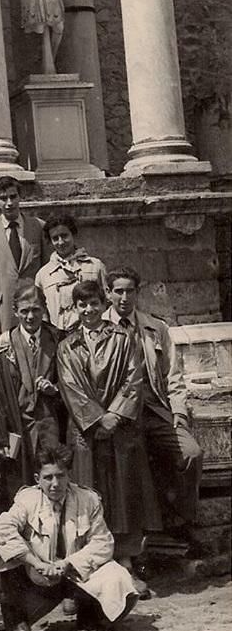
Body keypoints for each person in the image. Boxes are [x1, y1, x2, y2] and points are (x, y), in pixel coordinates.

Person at [57, 280, 161, 596]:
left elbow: (134, 378)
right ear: (75, 308)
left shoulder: (122, 338)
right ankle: (91, 570)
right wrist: (97, 418)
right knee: (89, 496)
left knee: (123, 496)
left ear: (104, 306)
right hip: (86, 432)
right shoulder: (67, 345)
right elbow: (69, 387)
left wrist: (115, 415)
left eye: (94, 304)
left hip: (120, 430)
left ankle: (128, 565)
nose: (88, 310)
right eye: (82, 305)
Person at [0, 444, 138, 631]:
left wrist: (68, 563)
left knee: (119, 577)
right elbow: (0, 530)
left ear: (69, 476)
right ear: (37, 479)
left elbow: (102, 542)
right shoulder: (27, 499)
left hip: (75, 574)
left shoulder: (88, 499)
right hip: (38, 580)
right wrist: (34, 562)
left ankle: (90, 613)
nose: (55, 484)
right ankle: (17, 625)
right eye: (48, 477)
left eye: (60, 476)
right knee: (0, 554)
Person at [104, 267, 203, 526]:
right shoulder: (99, 327)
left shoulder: (155, 327)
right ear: (108, 293)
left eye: (130, 291)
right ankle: (133, 538)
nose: (124, 297)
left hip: (154, 409)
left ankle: (182, 519)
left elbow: (174, 375)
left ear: (138, 293)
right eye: (118, 291)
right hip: (120, 415)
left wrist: (179, 413)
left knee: (191, 453)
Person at [0, 282, 62, 506]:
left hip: (50, 423)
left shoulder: (59, 340)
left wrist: (55, 389)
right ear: (15, 312)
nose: (30, 316)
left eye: (36, 309)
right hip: (18, 426)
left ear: (44, 308)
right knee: (21, 487)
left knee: (54, 481)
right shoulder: (2, 346)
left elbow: (73, 382)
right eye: (24, 311)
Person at [0, 176, 43, 332]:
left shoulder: (38, 226)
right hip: (3, 309)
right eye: (3, 198)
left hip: (33, 307)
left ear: (20, 197)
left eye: (13, 197)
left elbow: (46, 269)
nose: (9, 203)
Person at [35, 214, 107, 330]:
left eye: (64, 236)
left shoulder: (95, 266)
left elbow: (107, 302)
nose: (61, 242)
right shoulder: (43, 275)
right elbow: (42, 312)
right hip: (59, 337)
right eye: (55, 238)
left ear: (73, 234)